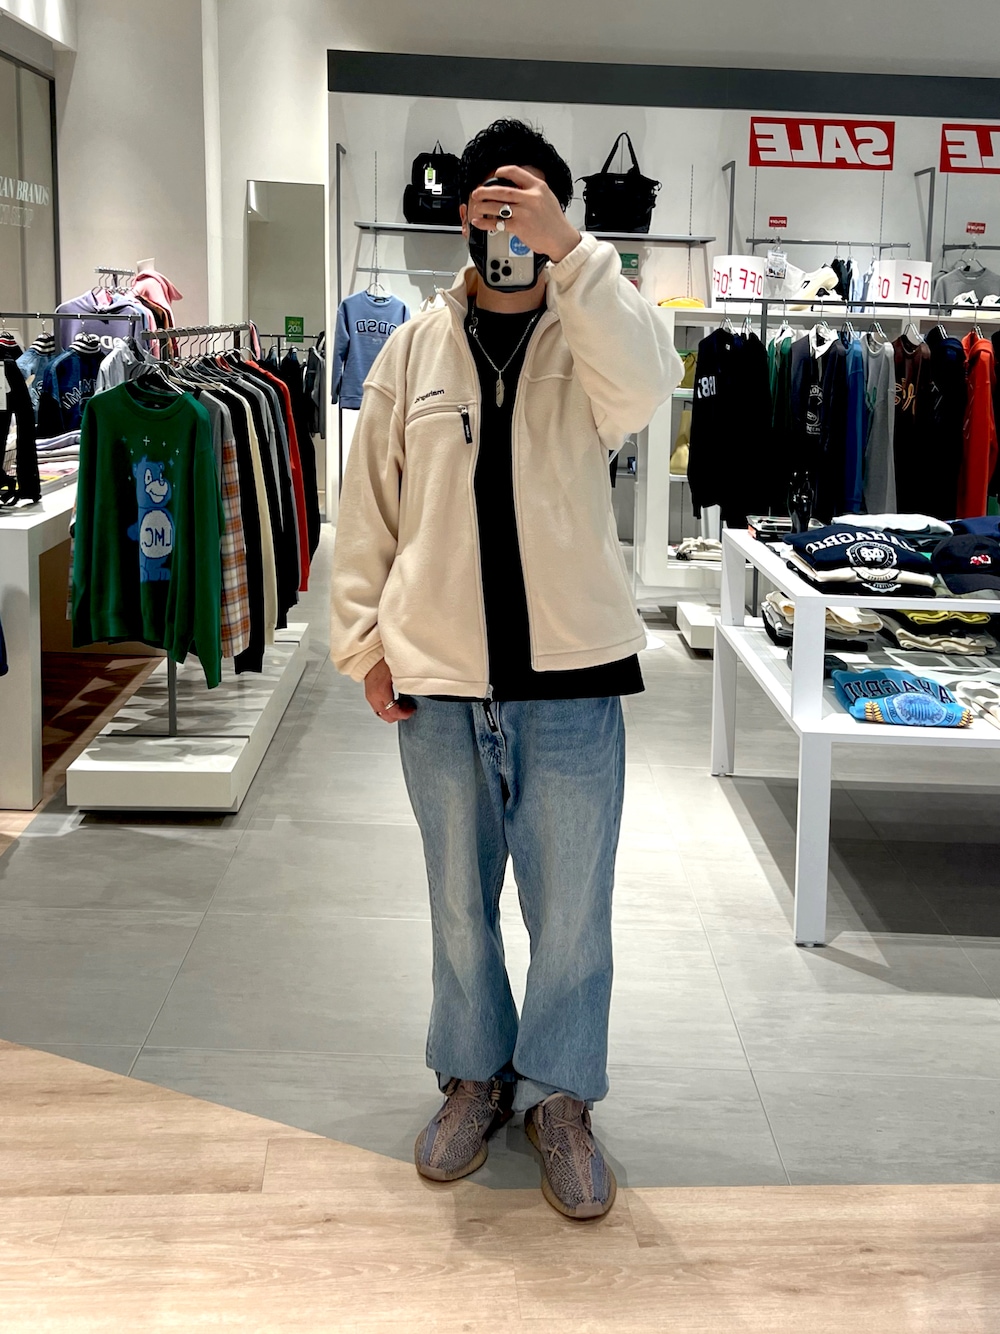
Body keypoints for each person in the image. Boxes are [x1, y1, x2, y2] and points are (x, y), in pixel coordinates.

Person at [330, 119, 681, 1220]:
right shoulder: (412, 349)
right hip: (438, 679)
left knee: (572, 912)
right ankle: (473, 1078)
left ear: (554, 212)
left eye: (525, 202)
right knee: (456, 901)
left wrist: (573, 251)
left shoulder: (594, 334)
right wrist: (364, 643)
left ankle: (560, 1096)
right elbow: (368, 508)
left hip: (571, 681)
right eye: (489, 200)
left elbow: (651, 386)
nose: (504, 220)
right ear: (462, 217)